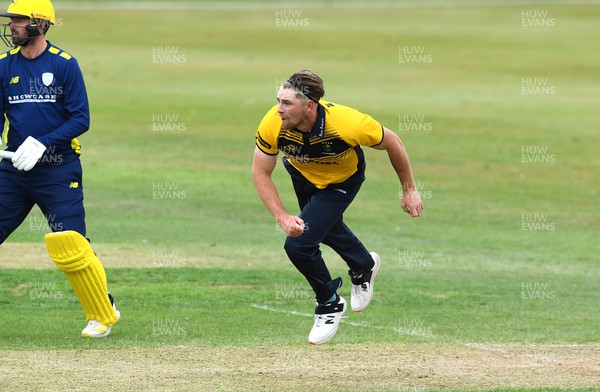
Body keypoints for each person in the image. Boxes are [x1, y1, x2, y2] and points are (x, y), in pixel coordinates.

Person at [252, 69, 423, 345]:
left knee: (298, 245)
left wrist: (409, 190)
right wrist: (282, 217)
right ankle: (363, 264)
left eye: (287, 103)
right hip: (302, 175)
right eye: (278, 101)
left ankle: (329, 302)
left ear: (309, 105)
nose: (279, 109)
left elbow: (393, 142)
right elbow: (260, 173)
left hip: (341, 182)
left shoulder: (347, 123)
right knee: (324, 228)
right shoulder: (273, 123)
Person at [0, 0, 119, 338]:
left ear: (40, 24)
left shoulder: (65, 65)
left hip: (58, 169)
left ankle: (102, 312)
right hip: (14, 168)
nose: (12, 26)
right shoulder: (3, 66)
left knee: (71, 242)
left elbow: (81, 118)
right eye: (11, 20)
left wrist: (42, 143)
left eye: (19, 20)